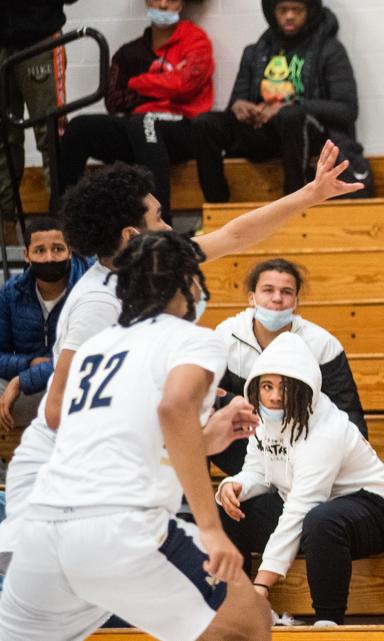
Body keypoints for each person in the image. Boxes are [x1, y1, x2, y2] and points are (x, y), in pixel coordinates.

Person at [0, 139, 364, 575]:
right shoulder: (98, 304)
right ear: (133, 237)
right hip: (74, 483)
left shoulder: (152, 266)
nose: (170, 227)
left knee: (229, 613)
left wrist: (310, 193)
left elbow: (235, 235)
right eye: (159, 217)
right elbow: (59, 411)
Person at [0, 231, 272, 641]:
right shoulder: (193, 339)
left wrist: (204, 439)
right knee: (251, 620)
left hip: (43, 532)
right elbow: (174, 406)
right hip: (121, 529)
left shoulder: (96, 347)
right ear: (187, 281)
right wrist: (211, 528)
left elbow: (117, 442)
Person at [216, 332, 384, 626]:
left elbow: (302, 506)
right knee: (229, 510)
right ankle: (234, 606)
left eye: (285, 388)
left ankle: (328, 623)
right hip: (313, 516)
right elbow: (258, 470)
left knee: (320, 519)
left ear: (305, 389)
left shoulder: (326, 431)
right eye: (267, 386)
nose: (275, 396)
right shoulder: (267, 418)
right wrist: (235, 485)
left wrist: (263, 584)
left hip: (373, 512)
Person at [193, 0, 373, 201]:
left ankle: (294, 201)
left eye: (296, 10)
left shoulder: (330, 49)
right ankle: (216, 208)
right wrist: (240, 106)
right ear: (273, 12)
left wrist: (292, 105)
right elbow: (236, 103)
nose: (289, 16)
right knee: (205, 123)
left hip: (308, 135)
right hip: (264, 133)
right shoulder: (256, 51)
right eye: (283, 10)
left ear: (309, 11)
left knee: (291, 116)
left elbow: (347, 110)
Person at [57, 0, 214, 222]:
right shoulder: (129, 53)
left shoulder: (196, 40)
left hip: (181, 129)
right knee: (79, 127)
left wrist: (138, 82)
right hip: (136, 130)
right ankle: (63, 223)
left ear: (182, 4)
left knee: (143, 122)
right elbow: (113, 101)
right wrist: (163, 84)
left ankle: (160, 226)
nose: (162, 4)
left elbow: (185, 85)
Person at [211, 257, 367, 475]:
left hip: (305, 449)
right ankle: (188, 505)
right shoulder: (225, 337)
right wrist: (236, 402)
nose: (277, 298)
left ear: (296, 301)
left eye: (286, 292)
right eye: (268, 290)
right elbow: (207, 399)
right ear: (251, 297)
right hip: (247, 443)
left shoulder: (322, 345)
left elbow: (348, 412)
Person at [0, 217, 90, 431]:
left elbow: (82, 360)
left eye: (57, 249)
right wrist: (29, 364)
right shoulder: (11, 293)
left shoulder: (87, 292)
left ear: (70, 251)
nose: (50, 258)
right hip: (27, 384)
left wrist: (21, 380)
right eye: (40, 251)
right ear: (26, 256)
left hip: (73, 384)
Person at [0, 0, 75, 233]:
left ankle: (62, 225)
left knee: (51, 136)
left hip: (40, 38)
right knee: (4, 141)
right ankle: (5, 225)